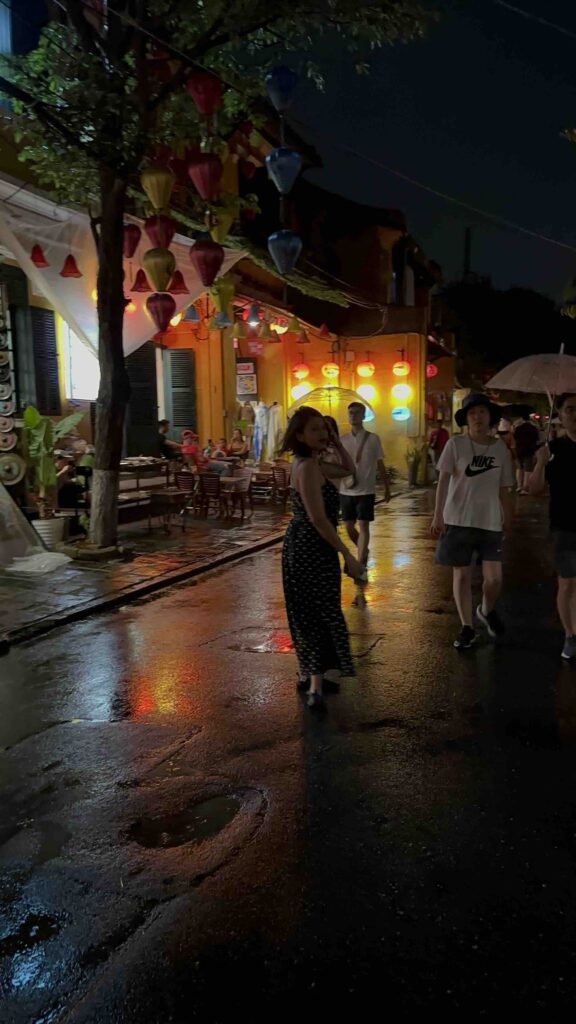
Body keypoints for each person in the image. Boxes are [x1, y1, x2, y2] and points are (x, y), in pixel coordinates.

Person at [281, 406, 365, 711]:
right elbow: (317, 518)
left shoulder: (317, 464)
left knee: (321, 610)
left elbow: (350, 471)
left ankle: (311, 675)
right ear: (300, 435)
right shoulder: (305, 467)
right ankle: (315, 685)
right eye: (314, 429)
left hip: (319, 546)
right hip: (307, 546)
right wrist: (348, 555)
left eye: (324, 428)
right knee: (314, 613)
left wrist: (338, 444)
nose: (322, 434)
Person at [431, 392, 515, 649]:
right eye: (472, 413)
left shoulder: (500, 449)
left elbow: (505, 488)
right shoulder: (455, 445)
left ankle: (486, 610)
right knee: (462, 574)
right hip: (458, 519)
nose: (477, 417)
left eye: (482, 412)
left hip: (490, 521)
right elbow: (443, 480)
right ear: (466, 419)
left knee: (495, 579)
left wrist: (508, 518)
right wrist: (438, 515)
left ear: (490, 417)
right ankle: (467, 626)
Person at [528, 393, 576, 660]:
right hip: (564, 526)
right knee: (567, 583)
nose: (575, 414)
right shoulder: (553, 449)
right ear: (560, 414)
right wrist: (541, 462)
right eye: (570, 409)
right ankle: (571, 635)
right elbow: (533, 489)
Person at [339, 402, 391, 566]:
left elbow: (380, 463)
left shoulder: (373, 439)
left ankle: (361, 562)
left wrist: (387, 487)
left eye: (356, 412)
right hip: (346, 489)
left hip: (366, 490)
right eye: (350, 413)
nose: (353, 415)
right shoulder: (342, 440)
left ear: (363, 416)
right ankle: (364, 549)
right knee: (348, 526)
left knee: (364, 525)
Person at [514, 412, 539, 494]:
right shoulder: (533, 428)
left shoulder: (518, 428)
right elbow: (537, 439)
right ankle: (525, 488)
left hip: (519, 450)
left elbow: (515, 437)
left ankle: (519, 486)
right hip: (529, 450)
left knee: (519, 468)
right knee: (528, 469)